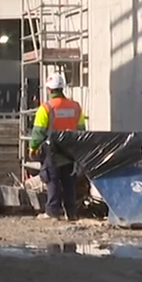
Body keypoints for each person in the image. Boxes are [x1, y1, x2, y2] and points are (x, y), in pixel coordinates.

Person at [28, 73, 87, 221]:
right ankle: (71, 213)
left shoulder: (46, 108)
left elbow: (38, 132)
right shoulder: (75, 107)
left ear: (49, 90)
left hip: (52, 150)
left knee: (52, 180)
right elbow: (81, 130)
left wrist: (33, 148)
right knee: (69, 182)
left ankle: (53, 211)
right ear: (62, 88)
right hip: (70, 150)